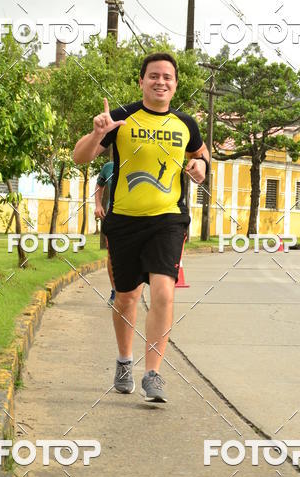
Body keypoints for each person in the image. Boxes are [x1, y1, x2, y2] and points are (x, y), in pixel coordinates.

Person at [73, 52, 208, 403]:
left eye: (167, 76)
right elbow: (80, 157)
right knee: (127, 296)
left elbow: (202, 154)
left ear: (175, 84)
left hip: (168, 220)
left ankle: (153, 374)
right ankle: (123, 361)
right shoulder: (121, 117)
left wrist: (201, 167)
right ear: (142, 81)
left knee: (164, 291)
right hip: (123, 223)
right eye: (153, 76)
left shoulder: (185, 124)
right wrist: (96, 133)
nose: (160, 81)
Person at [94, 161, 115, 306]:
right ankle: (115, 291)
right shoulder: (109, 167)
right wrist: (98, 204)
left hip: (138, 218)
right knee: (112, 255)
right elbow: (99, 185)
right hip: (113, 216)